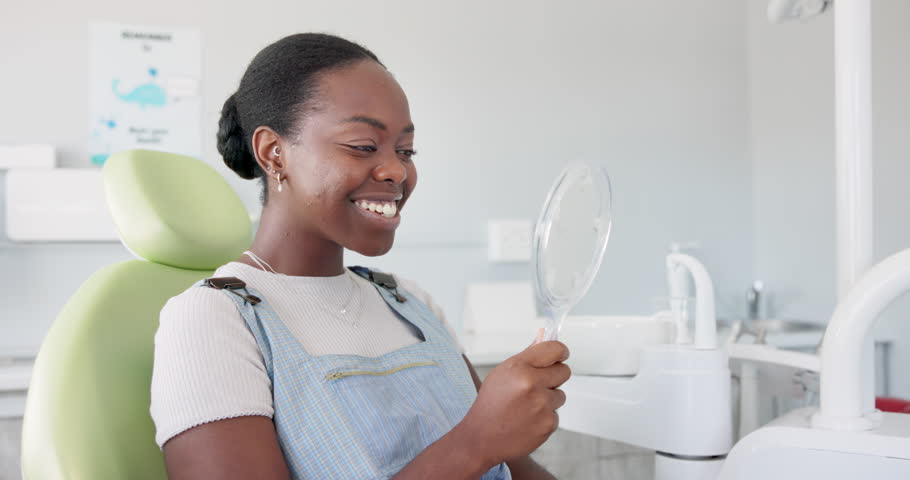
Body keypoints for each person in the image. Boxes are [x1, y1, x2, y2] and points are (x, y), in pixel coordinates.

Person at [150, 33, 570, 479]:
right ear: (274, 153)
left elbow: (517, 468)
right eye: (363, 147)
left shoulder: (409, 302)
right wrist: (475, 444)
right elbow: (484, 446)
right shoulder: (212, 320)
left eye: (405, 151)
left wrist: (501, 434)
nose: (396, 170)